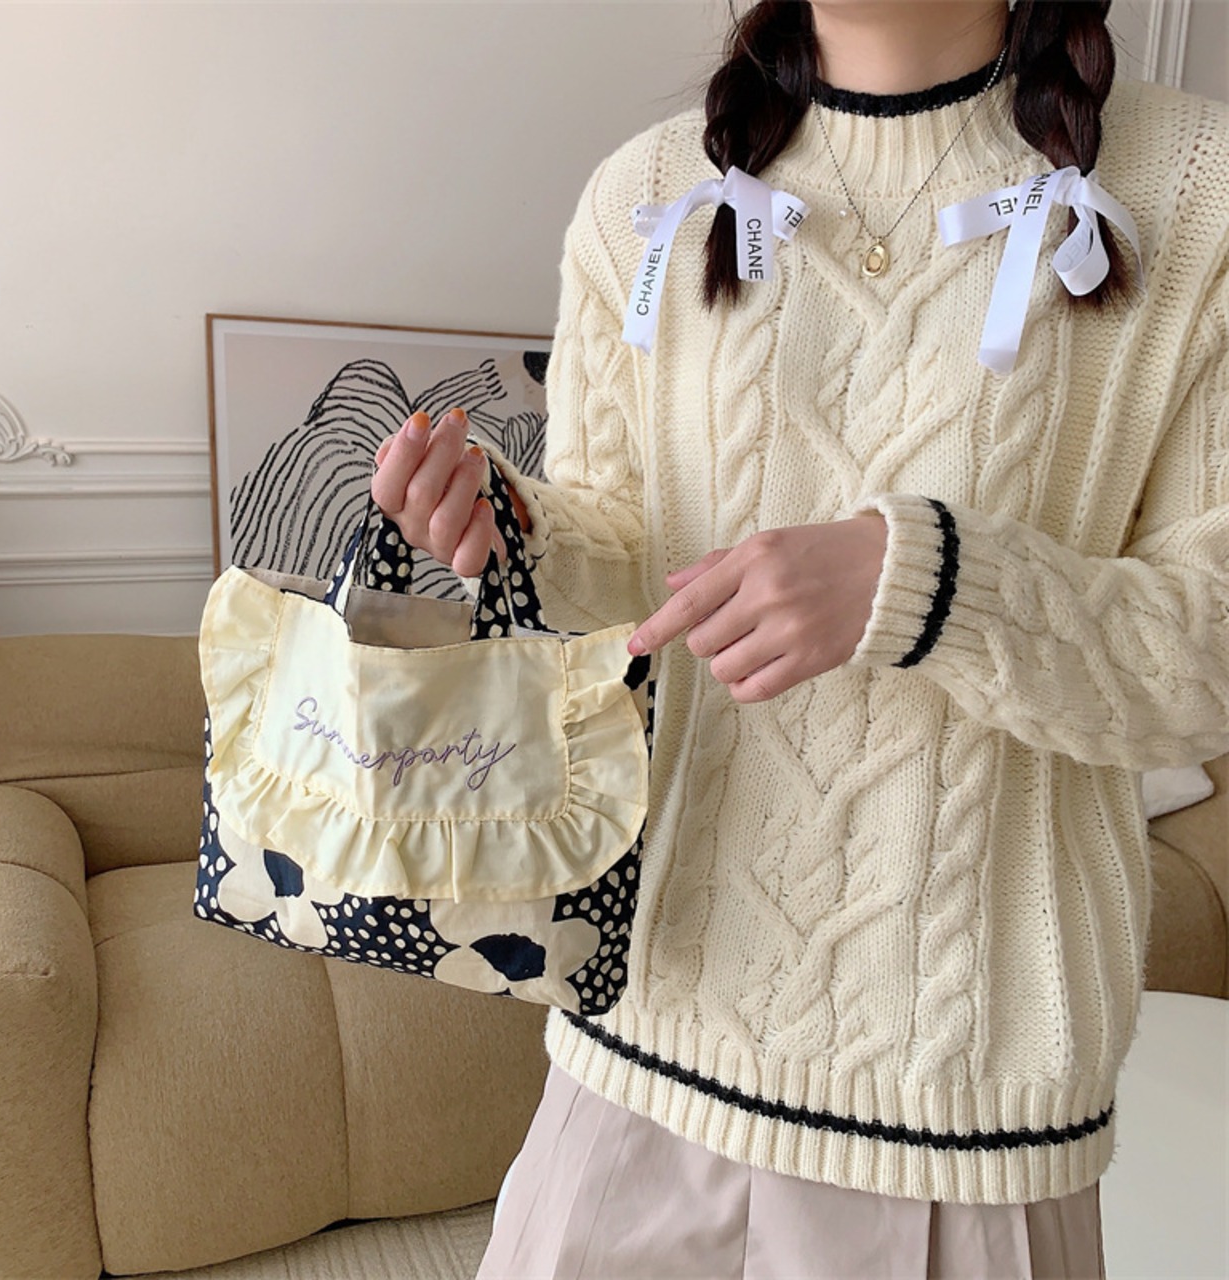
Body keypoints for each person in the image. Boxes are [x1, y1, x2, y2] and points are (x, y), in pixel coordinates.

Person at [371, 0, 1229, 1275]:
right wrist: (510, 530)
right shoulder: (643, 197)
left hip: (960, 1113)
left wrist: (925, 584)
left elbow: (1205, 656)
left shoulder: (1194, 193)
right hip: (639, 1055)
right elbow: (632, 566)